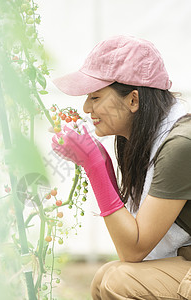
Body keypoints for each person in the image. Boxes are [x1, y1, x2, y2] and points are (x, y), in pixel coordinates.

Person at [51, 35, 191, 299]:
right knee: (104, 276)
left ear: (133, 101)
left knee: (120, 281)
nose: (85, 107)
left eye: (95, 97)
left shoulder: (180, 146)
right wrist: (103, 161)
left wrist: (95, 166)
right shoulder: (144, 142)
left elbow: (134, 249)